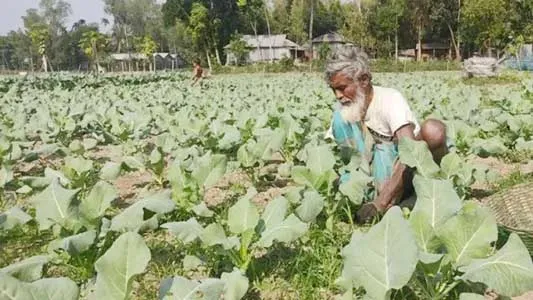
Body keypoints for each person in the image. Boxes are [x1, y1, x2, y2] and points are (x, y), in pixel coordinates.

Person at [325, 46, 449, 224]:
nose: (338, 95)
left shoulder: (390, 99)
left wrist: (380, 203)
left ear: (364, 80)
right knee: (339, 118)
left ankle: (413, 197)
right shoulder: (345, 111)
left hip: (406, 174)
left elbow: (410, 154)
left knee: (434, 129)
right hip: (368, 173)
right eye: (333, 89)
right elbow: (341, 157)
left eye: (342, 88)